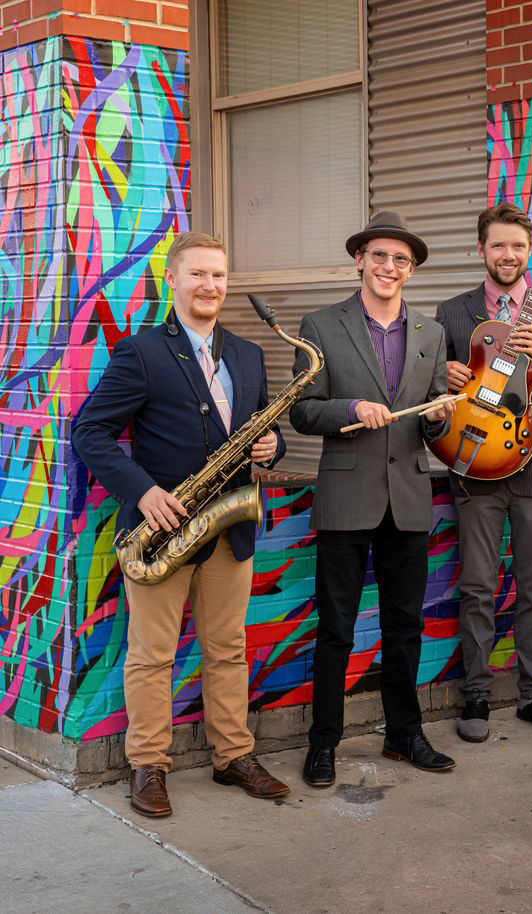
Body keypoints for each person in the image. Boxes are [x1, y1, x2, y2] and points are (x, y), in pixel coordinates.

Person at [72, 232, 290, 817]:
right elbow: (89, 432)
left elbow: (261, 433)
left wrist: (272, 446)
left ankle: (233, 755)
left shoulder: (246, 353)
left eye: (218, 275)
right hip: (164, 531)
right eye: (197, 275)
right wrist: (143, 493)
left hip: (231, 526)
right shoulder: (141, 352)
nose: (210, 286)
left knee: (228, 649)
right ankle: (149, 764)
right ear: (172, 281)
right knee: (151, 655)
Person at [290, 211, 458, 787]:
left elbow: (435, 422)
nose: (389, 267)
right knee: (336, 627)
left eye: (401, 260)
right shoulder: (320, 324)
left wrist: (439, 418)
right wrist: (351, 411)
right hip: (346, 497)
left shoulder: (432, 334)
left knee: (404, 626)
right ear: (360, 259)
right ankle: (324, 743)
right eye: (380, 256)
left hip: (408, 499)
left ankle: (404, 735)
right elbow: (302, 410)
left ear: (410, 270)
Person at [434, 203, 532, 743]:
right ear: (482, 249)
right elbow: (426, 396)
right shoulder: (452, 314)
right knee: (476, 587)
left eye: (518, 246)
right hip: (475, 466)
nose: (508, 255)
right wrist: (443, 379)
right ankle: (476, 695)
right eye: (498, 245)